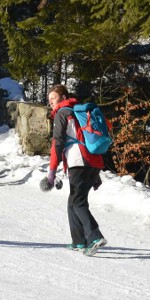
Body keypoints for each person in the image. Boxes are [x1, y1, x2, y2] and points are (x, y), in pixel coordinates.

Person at [46, 84, 107, 255]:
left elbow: (57, 143)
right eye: (49, 99)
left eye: (54, 98)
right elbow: (87, 138)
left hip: (78, 162)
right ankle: (79, 241)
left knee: (77, 202)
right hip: (93, 161)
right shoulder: (80, 112)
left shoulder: (62, 113)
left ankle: (95, 236)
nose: (51, 101)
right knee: (74, 201)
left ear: (63, 98)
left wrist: (52, 170)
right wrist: (95, 175)